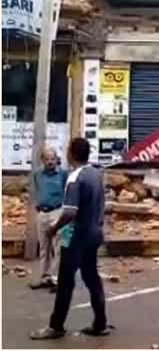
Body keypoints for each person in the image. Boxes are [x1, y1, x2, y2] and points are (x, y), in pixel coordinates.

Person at [30, 138, 109, 340]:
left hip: (76, 237)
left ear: (70, 154)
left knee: (65, 282)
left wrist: (54, 229)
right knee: (92, 279)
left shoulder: (74, 178)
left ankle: (56, 326)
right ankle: (100, 323)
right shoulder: (96, 174)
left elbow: (69, 213)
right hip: (94, 233)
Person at [28, 147, 67, 291]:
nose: (50, 162)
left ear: (57, 160)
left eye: (53, 159)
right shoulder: (38, 174)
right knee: (44, 247)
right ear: (42, 160)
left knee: (57, 247)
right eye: (47, 159)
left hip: (57, 212)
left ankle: (56, 278)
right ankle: (45, 277)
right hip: (42, 213)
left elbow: (67, 191)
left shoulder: (63, 174)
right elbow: (36, 190)